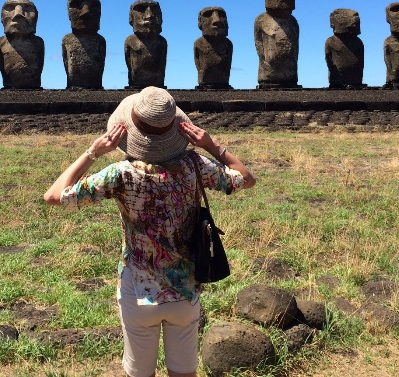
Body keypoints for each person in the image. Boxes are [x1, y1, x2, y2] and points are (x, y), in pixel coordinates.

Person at [44, 87, 256, 377]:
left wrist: (93, 152)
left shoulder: (120, 174)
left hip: (138, 291)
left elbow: (55, 196)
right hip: (185, 288)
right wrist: (211, 145)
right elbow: (246, 179)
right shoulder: (196, 165)